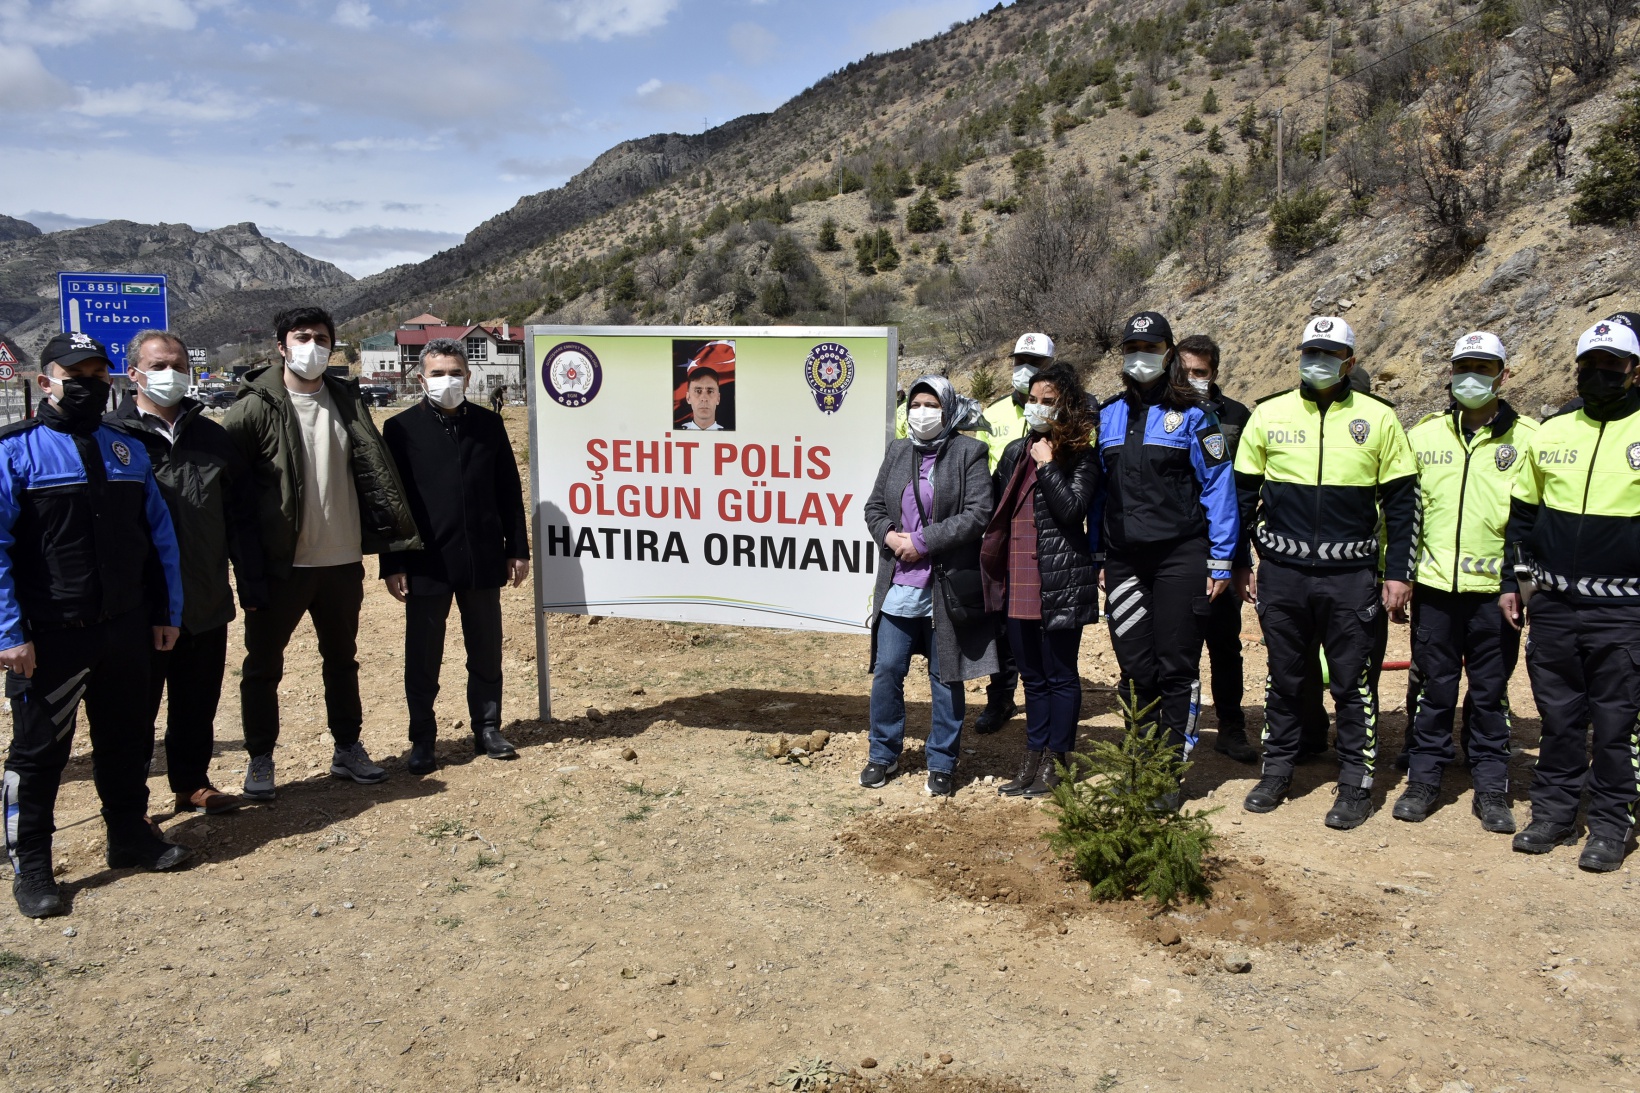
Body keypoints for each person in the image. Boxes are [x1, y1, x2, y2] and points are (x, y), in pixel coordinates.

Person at [0, 332, 188, 918]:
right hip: (52, 633)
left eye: (98, 375)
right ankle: (32, 862)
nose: (89, 384)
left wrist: (166, 613)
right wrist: (8, 634)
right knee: (39, 753)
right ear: (46, 380)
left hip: (126, 628)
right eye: (76, 374)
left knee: (128, 739)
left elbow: (160, 540)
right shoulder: (15, 452)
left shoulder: (125, 449)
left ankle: (129, 833)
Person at [223, 306, 421, 800]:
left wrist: (388, 549)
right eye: (302, 336)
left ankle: (347, 748)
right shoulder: (253, 407)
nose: (312, 345)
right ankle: (261, 758)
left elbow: (373, 476)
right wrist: (247, 569)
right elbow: (232, 494)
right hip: (281, 565)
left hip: (340, 561)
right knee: (263, 664)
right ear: (281, 345)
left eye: (321, 337)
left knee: (342, 659)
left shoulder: (346, 399)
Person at [1234, 316, 1418, 829]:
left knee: (1352, 683)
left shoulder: (1379, 419)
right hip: (1283, 575)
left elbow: (1403, 504)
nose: (1317, 360)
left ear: (1350, 362)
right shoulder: (1268, 414)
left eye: (1329, 353)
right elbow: (1243, 495)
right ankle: (1277, 770)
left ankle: (1357, 783)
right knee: (1285, 678)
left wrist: (1398, 574)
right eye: (1310, 351)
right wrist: (1240, 561)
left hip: (1350, 578)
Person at [107, 330, 267, 817]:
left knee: (196, 702)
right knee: (133, 711)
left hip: (203, 596)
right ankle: (128, 807)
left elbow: (240, 518)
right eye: (158, 366)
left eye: (178, 365)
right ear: (133, 373)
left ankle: (192, 783)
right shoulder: (111, 438)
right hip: (139, 604)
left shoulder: (211, 437)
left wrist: (253, 581)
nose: (170, 374)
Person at [1503, 320, 1640, 872]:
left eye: (1613, 364)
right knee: (1559, 718)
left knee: (1616, 724)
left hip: (1624, 608)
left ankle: (1610, 823)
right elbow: (1523, 518)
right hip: (1555, 606)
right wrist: (1520, 583)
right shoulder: (1552, 432)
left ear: (1635, 370)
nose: (1600, 374)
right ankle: (1555, 813)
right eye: (1591, 363)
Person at [1093, 313, 1239, 810]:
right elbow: (1099, 493)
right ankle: (1138, 763)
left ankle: (1168, 771)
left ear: (1169, 352)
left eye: (1151, 346)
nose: (1141, 355)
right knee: (1135, 667)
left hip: (1182, 556)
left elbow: (1218, 486)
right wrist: (1099, 553)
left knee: (1176, 665)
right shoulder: (1108, 414)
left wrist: (1221, 559)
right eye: (1132, 346)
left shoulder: (1196, 414)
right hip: (1125, 561)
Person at [1394, 331, 1535, 832]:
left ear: (1503, 374)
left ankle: (1492, 788)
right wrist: (1401, 575)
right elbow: (1406, 512)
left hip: (1496, 597)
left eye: (1482, 366)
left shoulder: (1530, 439)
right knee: (1434, 690)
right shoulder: (1424, 435)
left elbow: (1531, 524)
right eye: (1461, 367)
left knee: (1492, 693)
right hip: (1434, 590)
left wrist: (1518, 585)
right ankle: (1424, 779)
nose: (1469, 377)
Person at [382, 339, 530, 774]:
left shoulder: (489, 424)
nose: (447, 380)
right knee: (423, 655)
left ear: (469, 376)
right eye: (437, 373)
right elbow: (391, 502)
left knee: (485, 648)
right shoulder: (401, 429)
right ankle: (423, 739)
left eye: (455, 372)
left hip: (482, 558)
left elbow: (508, 491)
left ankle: (487, 727)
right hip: (427, 561)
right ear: (421, 377)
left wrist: (516, 549)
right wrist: (393, 563)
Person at [861, 376, 997, 797]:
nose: (921, 412)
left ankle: (941, 761)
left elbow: (978, 513)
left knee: (945, 676)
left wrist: (921, 542)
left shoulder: (969, 452)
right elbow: (874, 506)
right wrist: (890, 536)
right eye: (915, 404)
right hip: (899, 585)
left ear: (949, 409)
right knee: (887, 670)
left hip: (945, 588)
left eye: (931, 404)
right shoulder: (898, 450)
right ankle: (882, 753)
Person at [980, 365, 1100, 798]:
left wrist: (1048, 465)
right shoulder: (1015, 450)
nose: (1037, 407)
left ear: (1065, 405)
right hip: (1018, 576)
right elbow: (995, 507)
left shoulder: (1081, 455)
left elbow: (1072, 511)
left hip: (1059, 578)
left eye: (1047, 400)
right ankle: (1032, 758)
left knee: (1060, 674)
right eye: (1033, 399)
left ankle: (1057, 762)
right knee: (1031, 676)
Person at [1175, 334, 1257, 763]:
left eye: (1200, 373)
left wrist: (1237, 561)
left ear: (1215, 374)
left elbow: (1242, 497)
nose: (1192, 380)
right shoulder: (1161, 413)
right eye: (1185, 371)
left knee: (1224, 644)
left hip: (1221, 551)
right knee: (1175, 646)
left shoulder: (1238, 418)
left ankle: (1231, 727)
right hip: (1175, 552)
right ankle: (1173, 730)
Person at [974, 333, 1056, 736]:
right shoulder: (993, 413)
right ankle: (1001, 697)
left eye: (1034, 361)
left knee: (1042, 624)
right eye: (1019, 360)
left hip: (1048, 531)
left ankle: (1045, 695)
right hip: (1003, 531)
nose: (1025, 368)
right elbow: (983, 474)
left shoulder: (1065, 411)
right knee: (1002, 624)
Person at [1548, 114, 1572, 180]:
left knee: (1561, 158)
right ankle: (1558, 174)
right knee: (1556, 160)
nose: (1561, 120)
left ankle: (1562, 174)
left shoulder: (1567, 126)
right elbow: (1553, 134)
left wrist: (1557, 139)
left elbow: (1564, 135)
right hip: (1557, 144)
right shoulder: (1559, 127)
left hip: (1561, 144)